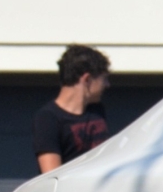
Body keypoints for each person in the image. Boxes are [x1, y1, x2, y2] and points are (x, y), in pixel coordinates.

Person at [35, 45, 113, 173]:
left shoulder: (97, 110)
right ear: (87, 79)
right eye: (104, 79)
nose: (107, 85)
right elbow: (51, 177)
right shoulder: (48, 118)